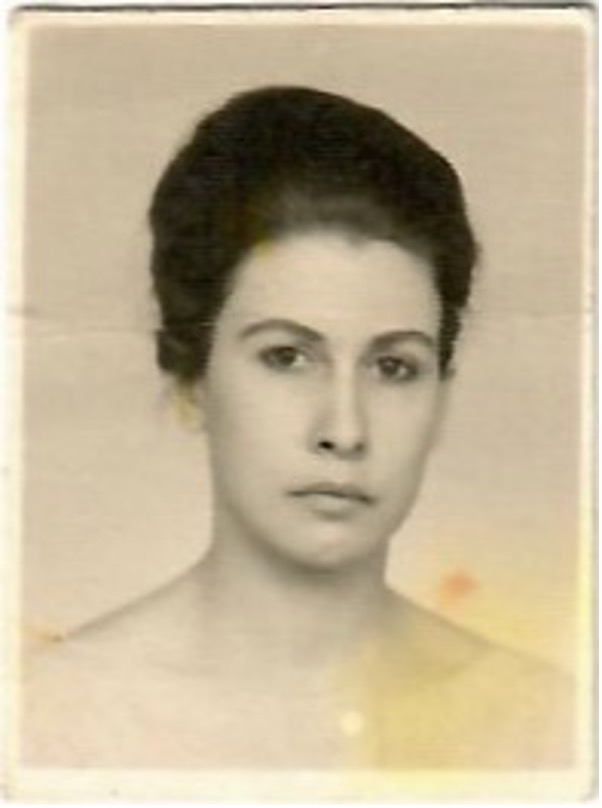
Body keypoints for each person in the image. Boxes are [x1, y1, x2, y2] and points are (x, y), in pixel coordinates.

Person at [22, 86, 574, 770]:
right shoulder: (47, 723)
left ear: (441, 396)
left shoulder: (548, 728)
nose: (344, 429)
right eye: (287, 356)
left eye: (394, 367)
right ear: (193, 380)